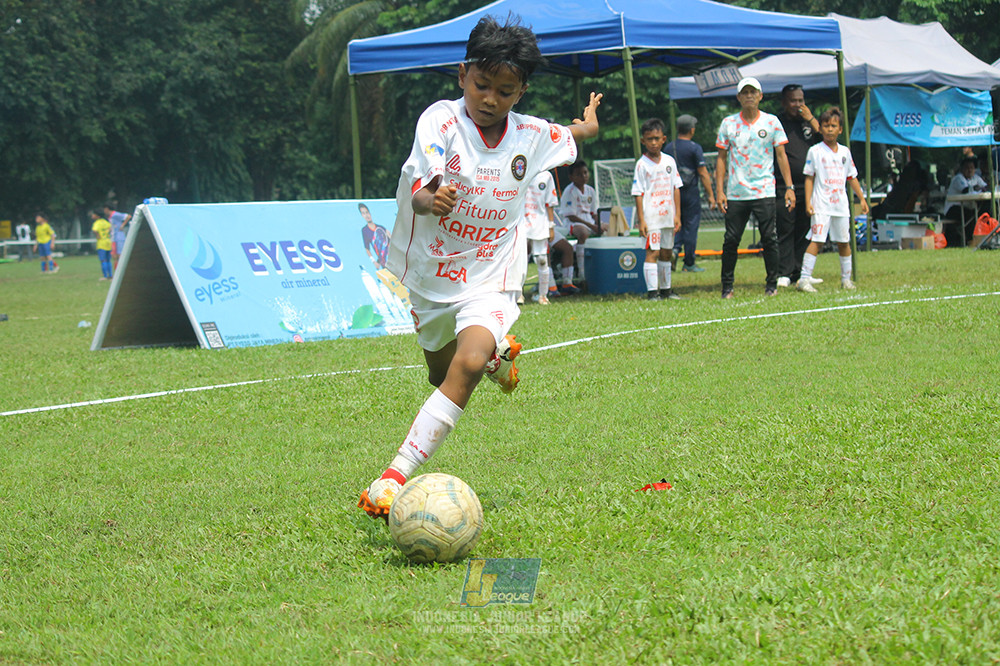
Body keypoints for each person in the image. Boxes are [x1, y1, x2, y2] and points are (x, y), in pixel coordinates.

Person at [357, 15, 602, 520]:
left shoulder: (531, 135)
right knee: (441, 372)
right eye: (482, 84)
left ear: (521, 92)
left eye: (504, 90)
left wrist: (591, 117)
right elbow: (422, 185)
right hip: (431, 276)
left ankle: (392, 476)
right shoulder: (440, 121)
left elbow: (578, 133)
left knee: (464, 366)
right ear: (462, 74)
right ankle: (493, 358)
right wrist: (430, 198)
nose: (489, 98)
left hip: (492, 273)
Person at [715, 77, 795, 299]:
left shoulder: (772, 122)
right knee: (731, 240)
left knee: (769, 238)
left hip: (764, 190)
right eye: (745, 92)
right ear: (739, 97)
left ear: (760, 96)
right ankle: (727, 287)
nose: (749, 96)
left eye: (753, 92)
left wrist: (789, 187)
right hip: (736, 192)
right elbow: (721, 158)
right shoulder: (728, 124)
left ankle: (772, 284)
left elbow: (781, 155)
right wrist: (720, 190)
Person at [797, 108, 869, 292]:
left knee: (844, 242)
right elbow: (809, 178)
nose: (830, 129)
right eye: (826, 126)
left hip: (841, 206)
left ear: (840, 129)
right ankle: (804, 279)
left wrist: (861, 198)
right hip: (821, 205)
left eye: (833, 126)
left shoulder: (845, 152)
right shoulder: (815, 151)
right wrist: (808, 202)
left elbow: (851, 177)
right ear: (820, 128)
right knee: (817, 240)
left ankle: (846, 279)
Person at [774, 84, 822, 288]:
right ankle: (784, 272)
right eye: (793, 101)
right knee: (785, 227)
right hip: (785, 186)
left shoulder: (809, 122)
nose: (798, 105)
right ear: (785, 102)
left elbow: (825, 139)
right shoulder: (778, 122)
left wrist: (810, 118)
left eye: (801, 100)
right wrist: (787, 186)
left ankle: (801, 272)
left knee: (805, 228)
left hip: (809, 185)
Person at [632, 118, 682, 300]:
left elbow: (676, 187)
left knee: (667, 253)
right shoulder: (642, 164)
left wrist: (677, 215)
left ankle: (666, 290)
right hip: (652, 216)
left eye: (657, 138)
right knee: (652, 252)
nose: (653, 142)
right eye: (649, 139)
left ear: (664, 139)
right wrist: (642, 219)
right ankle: (653, 292)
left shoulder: (669, 161)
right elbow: (638, 193)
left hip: (668, 215)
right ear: (643, 141)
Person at [666, 113, 715, 273]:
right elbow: (702, 173)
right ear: (692, 130)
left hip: (672, 192)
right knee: (691, 226)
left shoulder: (668, 147)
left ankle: (674, 251)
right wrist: (711, 195)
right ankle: (689, 262)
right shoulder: (694, 148)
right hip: (691, 193)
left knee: (676, 223)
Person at [557, 159, 600, 291]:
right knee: (583, 233)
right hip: (574, 223)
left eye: (585, 173)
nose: (583, 176)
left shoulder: (590, 191)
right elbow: (570, 215)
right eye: (579, 174)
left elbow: (594, 212)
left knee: (610, 228)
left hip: (589, 221)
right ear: (571, 177)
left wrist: (598, 224)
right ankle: (582, 274)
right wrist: (592, 226)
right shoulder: (569, 191)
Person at [521, 170, 558, 305]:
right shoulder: (522, 168)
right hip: (521, 222)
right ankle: (519, 294)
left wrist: (551, 226)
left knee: (542, 260)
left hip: (540, 223)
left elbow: (550, 202)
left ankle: (543, 295)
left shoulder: (547, 176)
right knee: (520, 258)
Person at [943, 156, 988, 247]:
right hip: (953, 208)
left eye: (972, 168)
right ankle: (969, 240)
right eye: (967, 168)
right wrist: (977, 188)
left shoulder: (976, 178)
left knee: (980, 212)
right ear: (962, 169)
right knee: (970, 216)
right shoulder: (958, 178)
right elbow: (965, 190)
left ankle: (982, 237)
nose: (970, 170)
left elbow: (985, 187)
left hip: (967, 206)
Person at [359, 202, 391, 269]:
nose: (366, 215)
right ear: (362, 215)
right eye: (363, 213)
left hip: (393, 260)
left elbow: (391, 239)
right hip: (384, 264)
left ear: (370, 213)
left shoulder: (381, 227)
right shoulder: (364, 230)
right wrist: (374, 261)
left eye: (367, 212)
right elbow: (367, 248)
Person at [104, 202, 131, 270]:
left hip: (119, 237)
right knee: (114, 256)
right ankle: (116, 273)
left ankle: (122, 271)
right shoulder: (110, 217)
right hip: (114, 238)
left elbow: (128, 216)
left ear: (107, 209)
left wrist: (122, 225)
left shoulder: (115, 214)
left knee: (119, 256)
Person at [90, 209, 113, 280]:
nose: (92, 216)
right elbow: (110, 229)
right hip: (108, 242)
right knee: (108, 260)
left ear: (97, 216)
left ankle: (105, 276)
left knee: (103, 260)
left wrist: (97, 235)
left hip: (101, 243)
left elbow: (94, 230)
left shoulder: (97, 223)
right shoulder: (106, 222)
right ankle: (111, 275)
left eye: (93, 214)